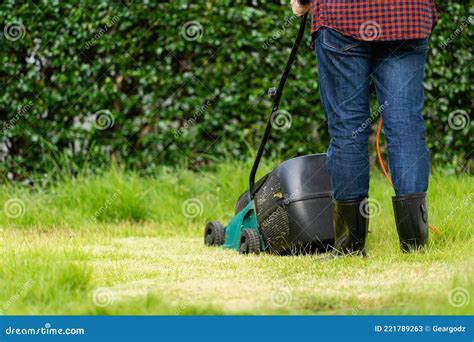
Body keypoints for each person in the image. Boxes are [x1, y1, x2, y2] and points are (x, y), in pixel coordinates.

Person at [290, 0, 437, 254]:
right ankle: (415, 245)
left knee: (348, 127)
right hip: (407, 15)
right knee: (406, 125)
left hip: (343, 15)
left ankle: (350, 247)